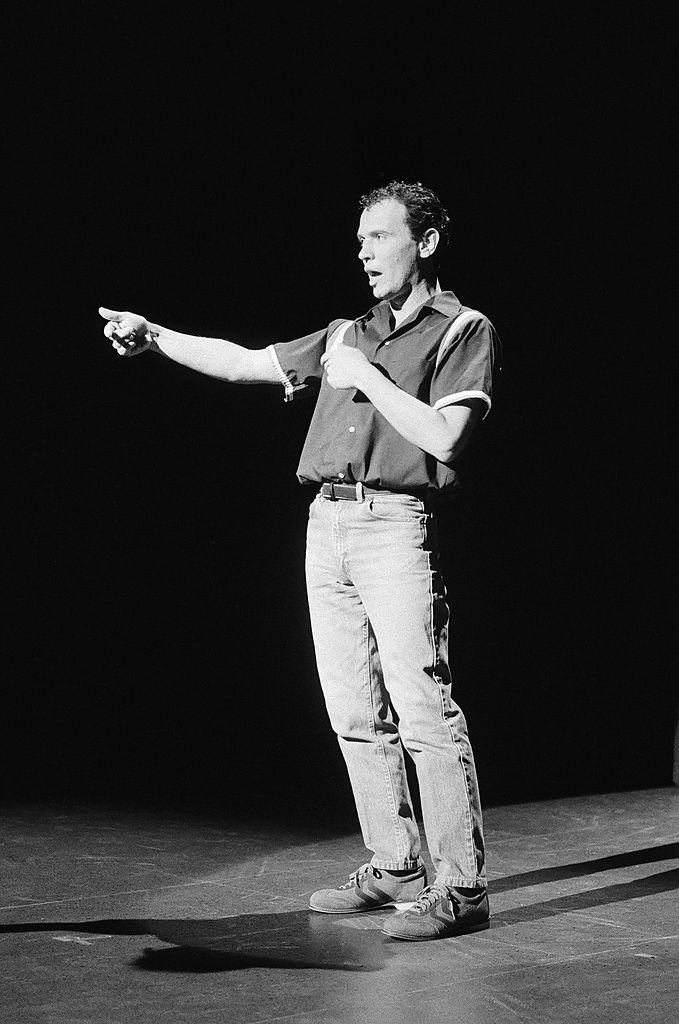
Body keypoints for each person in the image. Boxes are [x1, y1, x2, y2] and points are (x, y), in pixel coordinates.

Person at [99, 181, 500, 941]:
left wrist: (369, 380)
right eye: (359, 241)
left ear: (426, 242)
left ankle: (461, 888)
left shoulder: (462, 330)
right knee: (353, 710)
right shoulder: (345, 332)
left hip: (394, 527)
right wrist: (156, 336)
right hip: (329, 525)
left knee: (422, 708)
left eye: (379, 237)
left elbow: (445, 440)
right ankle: (394, 864)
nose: (364, 252)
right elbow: (245, 363)